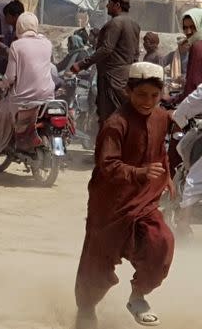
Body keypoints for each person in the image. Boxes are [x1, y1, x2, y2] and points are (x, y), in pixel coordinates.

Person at [74, 62, 174, 329]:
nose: (148, 102)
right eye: (141, 95)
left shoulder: (162, 118)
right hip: (110, 204)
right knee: (97, 262)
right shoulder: (115, 124)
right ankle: (85, 311)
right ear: (129, 91)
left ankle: (138, 296)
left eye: (154, 96)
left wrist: (168, 176)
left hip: (143, 200)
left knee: (161, 241)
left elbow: (159, 151)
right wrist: (140, 172)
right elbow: (107, 165)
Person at [0, 13, 55, 180]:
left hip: (21, 101)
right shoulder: (47, 44)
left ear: (20, 26)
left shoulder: (17, 46)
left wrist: (0, 85)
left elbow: (10, 77)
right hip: (47, 98)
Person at [71, 0, 140, 126]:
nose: (107, 6)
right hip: (125, 77)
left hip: (111, 78)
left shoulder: (115, 24)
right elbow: (136, 54)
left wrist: (81, 64)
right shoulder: (134, 25)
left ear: (117, 5)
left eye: (109, 3)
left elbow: (106, 49)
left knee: (110, 118)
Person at [177, 8, 202, 102]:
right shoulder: (192, 45)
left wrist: (174, 99)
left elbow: (192, 87)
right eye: (185, 28)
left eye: (192, 27)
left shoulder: (197, 47)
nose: (188, 32)